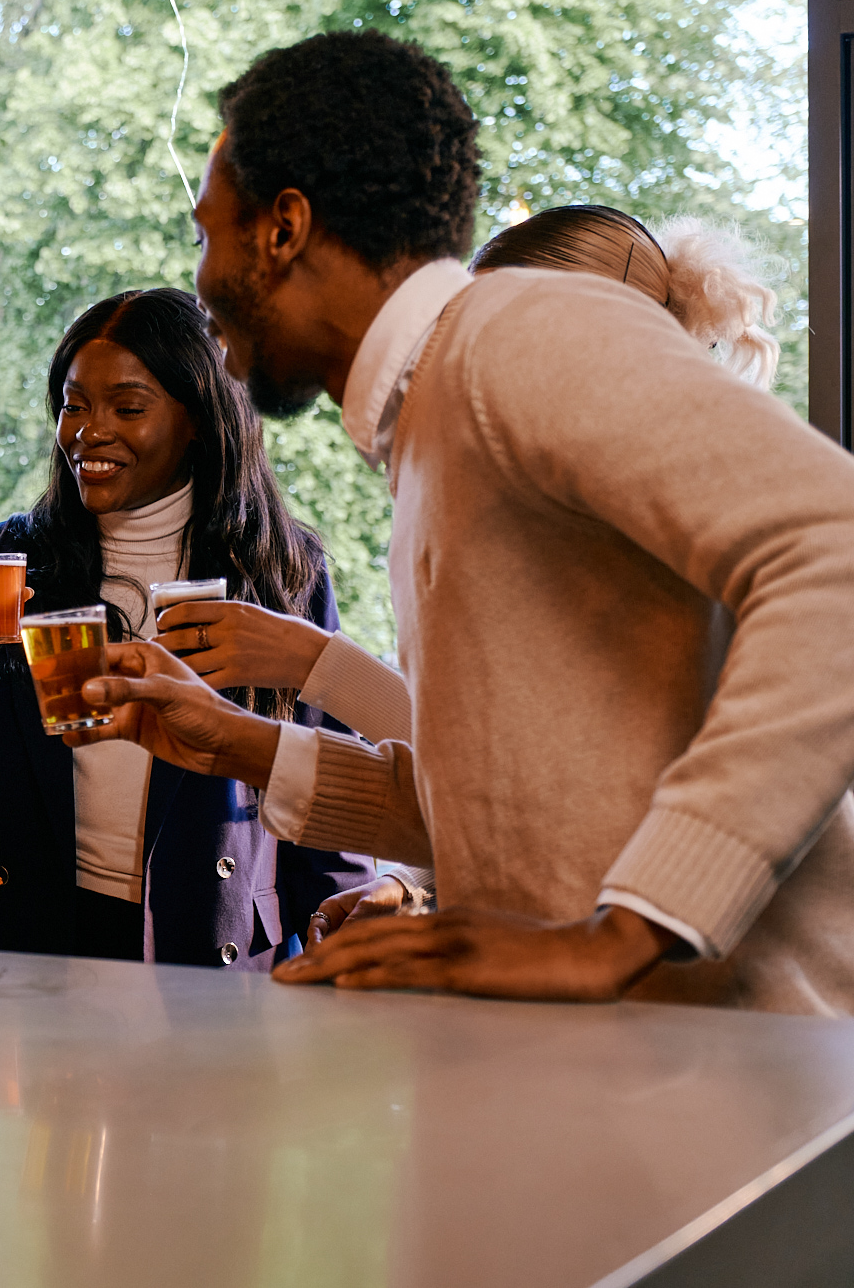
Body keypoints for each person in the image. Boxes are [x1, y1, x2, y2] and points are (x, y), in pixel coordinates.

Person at [66, 30, 854, 1012]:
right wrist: (236, 743)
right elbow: (506, 805)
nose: (200, 277)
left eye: (205, 232)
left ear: (283, 229)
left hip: (749, 1079)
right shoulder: (429, 425)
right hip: (621, 1081)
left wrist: (620, 932)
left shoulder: (510, 333)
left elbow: (836, 553)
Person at [169, 202, 790, 936]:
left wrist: (315, 663)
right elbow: (510, 789)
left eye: (493, 330)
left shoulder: (681, 512)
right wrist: (414, 887)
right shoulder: (530, 505)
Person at [0, 287, 372, 965]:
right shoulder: (9, 559)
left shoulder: (281, 568)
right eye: (73, 405)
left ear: (197, 419)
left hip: (215, 957)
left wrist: (348, 938)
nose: (88, 431)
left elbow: (326, 792)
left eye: (128, 407)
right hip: (39, 951)